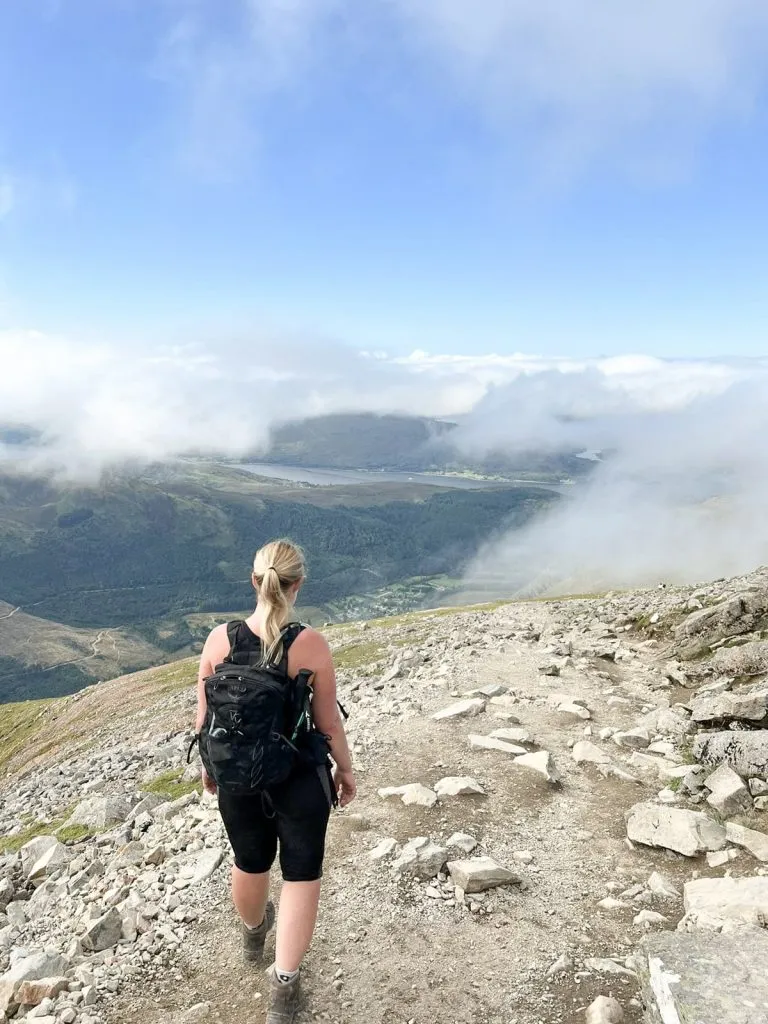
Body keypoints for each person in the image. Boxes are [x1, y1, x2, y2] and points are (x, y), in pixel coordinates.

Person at [195, 538, 356, 1024]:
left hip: (237, 778)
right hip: (297, 778)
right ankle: (284, 989)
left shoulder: (218, 639)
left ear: (254, 581)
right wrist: (345, 770)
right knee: (301, 874)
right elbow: (327, 723)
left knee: (249, 861)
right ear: (298, 584)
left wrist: (210, 769)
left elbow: (205, 719)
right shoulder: (309, 644)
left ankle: (253, 934)